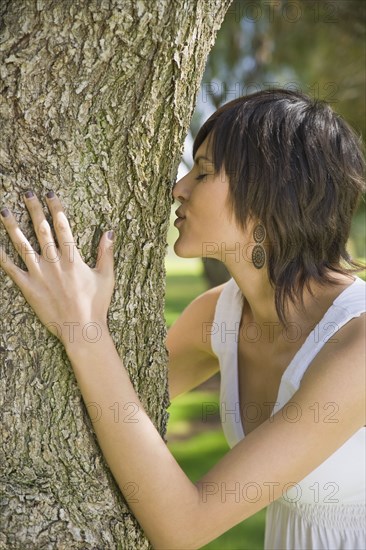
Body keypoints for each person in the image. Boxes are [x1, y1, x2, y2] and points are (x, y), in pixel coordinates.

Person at [0, 89, 365, 549]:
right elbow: (107, 406)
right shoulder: (221, 315)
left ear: (271, 197)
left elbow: (184, 527)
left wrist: (84, 328)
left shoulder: (357, 344)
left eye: (205, 172)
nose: (179, 188)